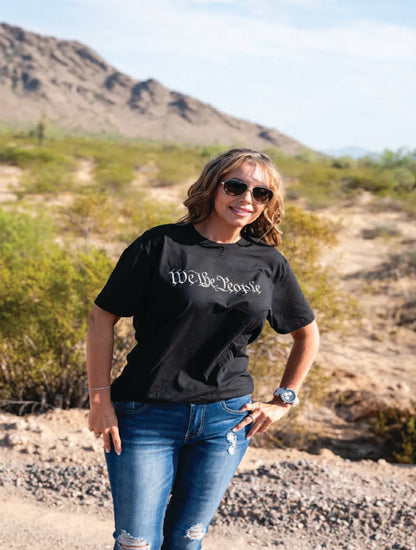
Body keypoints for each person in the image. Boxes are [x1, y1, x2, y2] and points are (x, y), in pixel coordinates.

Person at [87, 148, 319, 550]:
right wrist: (99, 399)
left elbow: (306, 333)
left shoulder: (268, 262)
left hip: (224, 420)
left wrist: (283, 399)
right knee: (136, 541)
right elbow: (101, 318)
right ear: (213, 187)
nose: (246, 199)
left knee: (187, 539)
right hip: (146, 415)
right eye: (236, 186)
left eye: (261, 193)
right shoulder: (160, 245)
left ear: (269, 203)